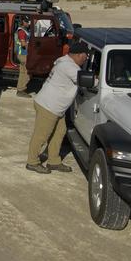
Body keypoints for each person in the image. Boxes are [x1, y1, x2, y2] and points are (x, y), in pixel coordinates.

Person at [26, 41, 91, 174]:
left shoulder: (63, 60)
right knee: (42, 135)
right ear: (79, 55)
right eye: (86, 56)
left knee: (60, 131)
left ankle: (53, 161)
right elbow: (86, 82)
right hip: (49, 106)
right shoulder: (72, 68)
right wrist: (97, 80)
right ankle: (32, 162)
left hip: (54, 106)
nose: (87, 59)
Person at [14, 16, 31, 95]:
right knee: (24, 73)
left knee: (24, 72)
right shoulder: (21, 31)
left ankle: (21, 89)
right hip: (23, 54)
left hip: (23, 54)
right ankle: (21, 90)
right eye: (27, 21)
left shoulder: (25, 30)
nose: (28, 23)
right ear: (23, 22)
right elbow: (23, 44)